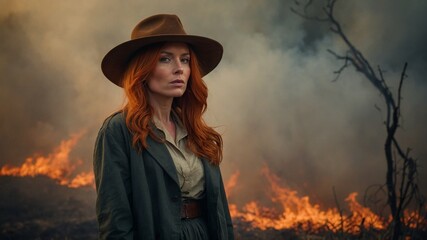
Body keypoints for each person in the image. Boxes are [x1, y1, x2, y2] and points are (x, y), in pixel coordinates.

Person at [93, 14, 234, 240]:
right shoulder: (118, 130)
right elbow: (115, 218)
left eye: (185, 60)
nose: (179, 69)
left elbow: (220, 209)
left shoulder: (196, 130)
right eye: (165, 59)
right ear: (142, 69)